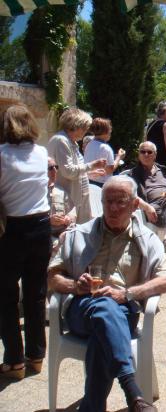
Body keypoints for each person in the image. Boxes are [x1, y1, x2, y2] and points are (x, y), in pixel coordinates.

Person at [47, 176, 166, 412]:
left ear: (135, 205)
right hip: (81, 308)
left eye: (121, 202)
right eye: (108, 202)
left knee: (102, 333)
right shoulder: (79, 234)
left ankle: (92, 407)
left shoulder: (147, 240)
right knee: (104, 308)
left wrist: (127, 293)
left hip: (124, 309)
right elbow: (52, 276)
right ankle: (133, 392)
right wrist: (75, 286)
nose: (113, 208)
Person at [0, 105, 51, 380]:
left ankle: (14, 360)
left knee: (7, 295)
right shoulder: (41, 153)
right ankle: (36, 355)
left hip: (13, 229)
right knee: (35, 293)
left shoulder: (2, 155)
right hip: (41, 226)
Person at [126, 141, 166, 277]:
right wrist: (147, 208)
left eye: (149, 152)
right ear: (139, 155)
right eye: (142, 152)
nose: (146, 154)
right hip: (151, 206)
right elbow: (133, 196)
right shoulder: (133, 173)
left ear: (155, 155)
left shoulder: (164, 170)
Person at [47, 108, 106, 224]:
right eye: (84, 127)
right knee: (72, 233)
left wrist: (89, 174)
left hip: (78, 197)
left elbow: (74, 169)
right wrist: (92, 166)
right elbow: (68, 171)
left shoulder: (71, 142)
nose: (86, 130)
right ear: (75, 125)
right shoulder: (61, 141)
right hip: (68, 199)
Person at [84, 117, 126, 188]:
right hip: (101, 184)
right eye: (110, 130)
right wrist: (119, 157)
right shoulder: (106, 148)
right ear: (105, 131)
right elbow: (110, 170)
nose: (110, 132)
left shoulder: (89, 144)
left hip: (87, 180)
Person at [47, 157, 76, 253]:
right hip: (45, 235)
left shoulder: (61, 191)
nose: (55, 170)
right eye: (50, 168)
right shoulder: (35, 193)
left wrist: (69, 218)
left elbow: (72, 210)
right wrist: (48, 220)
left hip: (64, 233)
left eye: (56, 167)